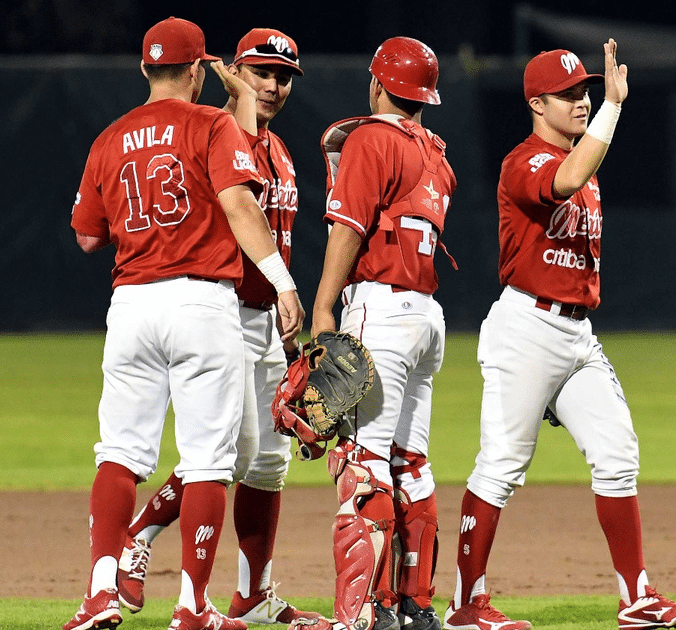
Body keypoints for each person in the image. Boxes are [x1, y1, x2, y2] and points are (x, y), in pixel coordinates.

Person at [443, 41, 676, 630]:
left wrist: (603, 113)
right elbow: (568, 175)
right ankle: (465, 605)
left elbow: (583, 169)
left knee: (618, 454)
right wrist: (614, 107)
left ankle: (636, 599)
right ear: (537, 104)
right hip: (527, 328)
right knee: (502, 466)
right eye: (568, 94)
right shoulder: (525, 162)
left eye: (584, 91)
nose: (581, 101)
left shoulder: (586, 167)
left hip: (577, 334)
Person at [64, 16, 304, 630]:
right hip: (204, 302)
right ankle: (194, 606)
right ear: (198, 71)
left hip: (133, 304)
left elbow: (88, 236)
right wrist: (282, 280)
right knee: (208, 461)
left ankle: (98, 595)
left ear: (145, 68)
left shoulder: (108, 137)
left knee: (119, 452)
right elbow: (237, 204)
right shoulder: (213, 122)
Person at [310, 36, 455, 630]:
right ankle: (414, 605)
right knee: (410, 462)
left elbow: (348, 230)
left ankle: (360, 615)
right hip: (426, 317)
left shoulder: (370, 138)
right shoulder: (436, 150)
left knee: (363, 466)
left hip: (381, 311)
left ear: (377, 84)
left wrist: (323, 310)